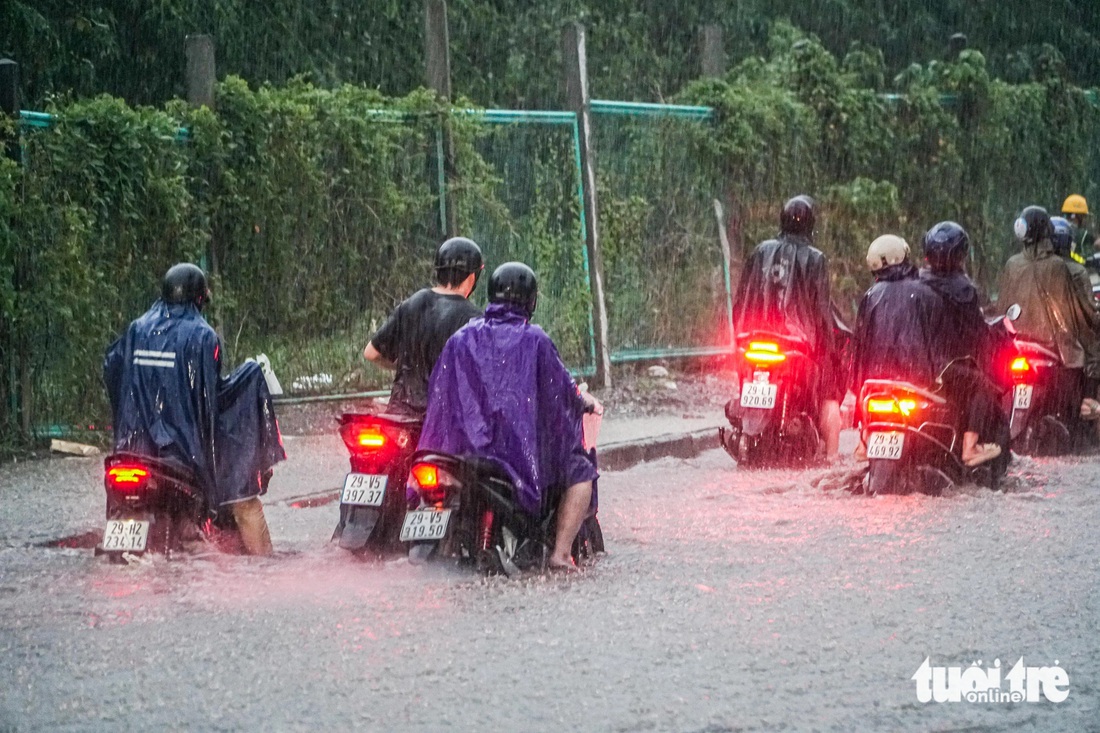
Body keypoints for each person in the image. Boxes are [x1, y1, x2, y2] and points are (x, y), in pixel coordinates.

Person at [417, 262, 598, 570]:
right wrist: (582, 401)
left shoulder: (461, 337)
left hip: (460, 451)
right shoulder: (535, 339)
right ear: (531, 300)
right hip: (516, 458)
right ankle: (559, 554)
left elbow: (440, 393)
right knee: (581, 471)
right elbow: (561, 393)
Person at [104, 263, 285, 555]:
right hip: (181, 456)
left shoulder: (137, 328)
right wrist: (248, 381)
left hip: (132, 449)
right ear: (199, 298)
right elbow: (207, 400)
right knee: (240, 509)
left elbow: (113, 368)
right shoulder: (203, 336)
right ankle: (265, 569)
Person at [730, 195, 844, 461]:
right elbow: (821, 308)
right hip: (797, 342)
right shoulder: (816, 258)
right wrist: (828, 344)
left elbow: (742, 298)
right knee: (828, 388)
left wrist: (740, 332)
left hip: (753, 337)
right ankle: (831, 456)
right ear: (811, 224)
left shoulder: (760, 250)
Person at [997, 206, 1100, 429]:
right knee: (1090, 359)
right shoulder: (1058, 266)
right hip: (1055, 349)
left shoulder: (1012, 264)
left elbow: (1001, 310)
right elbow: (1076, 315)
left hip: (1016, 346)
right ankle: (1084, 411)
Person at [916, 222, 1007, 466]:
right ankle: (970, 447)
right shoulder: (964, 289)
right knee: (983, 384)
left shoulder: (917, 281)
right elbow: (977, 333)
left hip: (916, 366)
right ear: (960, 254)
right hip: (945, 368)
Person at [363, 237, 484, 417]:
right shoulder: (474, 319)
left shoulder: (413, 302)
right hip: (443, 423)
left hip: (400, 414)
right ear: (472, 276)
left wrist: (407, 366)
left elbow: (371, 353)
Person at [1061, 193, 1094, 260]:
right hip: (1073, 267)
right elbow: (1096, 242)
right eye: (1084, 216)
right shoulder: (1081, 234)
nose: (1085, 220)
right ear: (1077, 216)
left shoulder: (1055, 228)